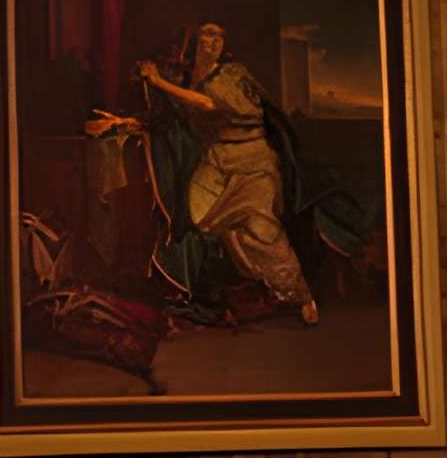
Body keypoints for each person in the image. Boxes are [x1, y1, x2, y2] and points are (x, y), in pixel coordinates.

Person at [135, 23, 318, 325]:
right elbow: (183, 114)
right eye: (206, 34)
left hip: (252, 160)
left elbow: (209, 104)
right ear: (193, 43)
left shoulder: (232, 74)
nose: (213, 41)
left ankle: (300, 295)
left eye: (218, 36)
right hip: (218, 160)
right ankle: (251, 285)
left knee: (262, 230)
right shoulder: (188, 79)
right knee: (200, 217)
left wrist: (157, 82)